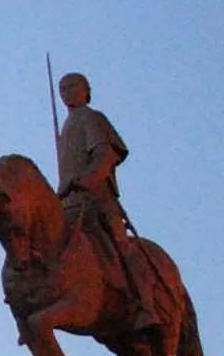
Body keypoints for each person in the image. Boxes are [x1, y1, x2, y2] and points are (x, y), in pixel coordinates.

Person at [55, 71, 155, 328]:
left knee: (121, 245)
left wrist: (84, 180)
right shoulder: (66, 127)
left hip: (97, 199)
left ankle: (145, 304)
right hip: (69, 203)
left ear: (86, 91)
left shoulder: (92, 118)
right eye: (63, 88)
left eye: (73, 86)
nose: (67, 92)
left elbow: (104, 156)